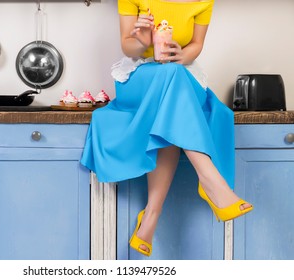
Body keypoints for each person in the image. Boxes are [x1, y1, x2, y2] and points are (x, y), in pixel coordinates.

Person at [81, 0, 253, 257]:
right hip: (140, 78)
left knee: (172, 110)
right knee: (173, 82)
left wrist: (183, 55)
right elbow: (128, 47)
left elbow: (196, 45)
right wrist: (140, 39)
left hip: (180, 76)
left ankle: (151, 213)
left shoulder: (204, 1)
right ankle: (210, 179)